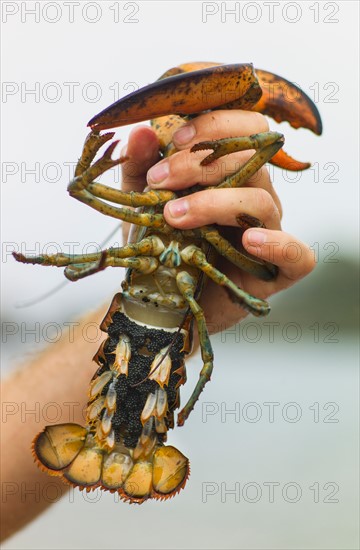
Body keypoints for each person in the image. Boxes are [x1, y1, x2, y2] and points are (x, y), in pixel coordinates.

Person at [1, 111, 315, 541]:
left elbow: (81, 188)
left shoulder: (154, 230)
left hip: (166, 314)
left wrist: (235, 283)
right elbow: (270, 140)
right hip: (171, 317)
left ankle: (119, 436)